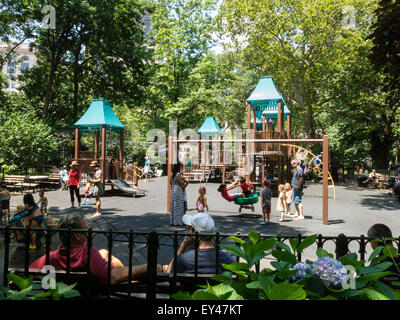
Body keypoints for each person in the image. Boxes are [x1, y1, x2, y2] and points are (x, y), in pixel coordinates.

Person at [29, 213, 160, 284]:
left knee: (104, 253)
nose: (89, 230)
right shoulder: (87, 254)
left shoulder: (50, 257)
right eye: (86, 228)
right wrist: (150, 267)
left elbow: (27, 272)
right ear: (78, 236)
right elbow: (113, 277)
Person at [163, 212, 235, 274]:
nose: (187, 231)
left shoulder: (182, 259)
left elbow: (169, 274)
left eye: (188, 228)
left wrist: (183, 246)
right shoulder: (228, 258)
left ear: (195, 233)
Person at [170, 162, 188, 226]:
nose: (181, 168)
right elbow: (181, 183)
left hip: (173, 190)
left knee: (174, 205)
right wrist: (185, 184)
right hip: (178, 191)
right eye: (180, 166)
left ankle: (173, 221)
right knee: (179, 206)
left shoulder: (172, 174)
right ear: (178, 167)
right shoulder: (178, 175)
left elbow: (170, 183)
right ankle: (178, 221)